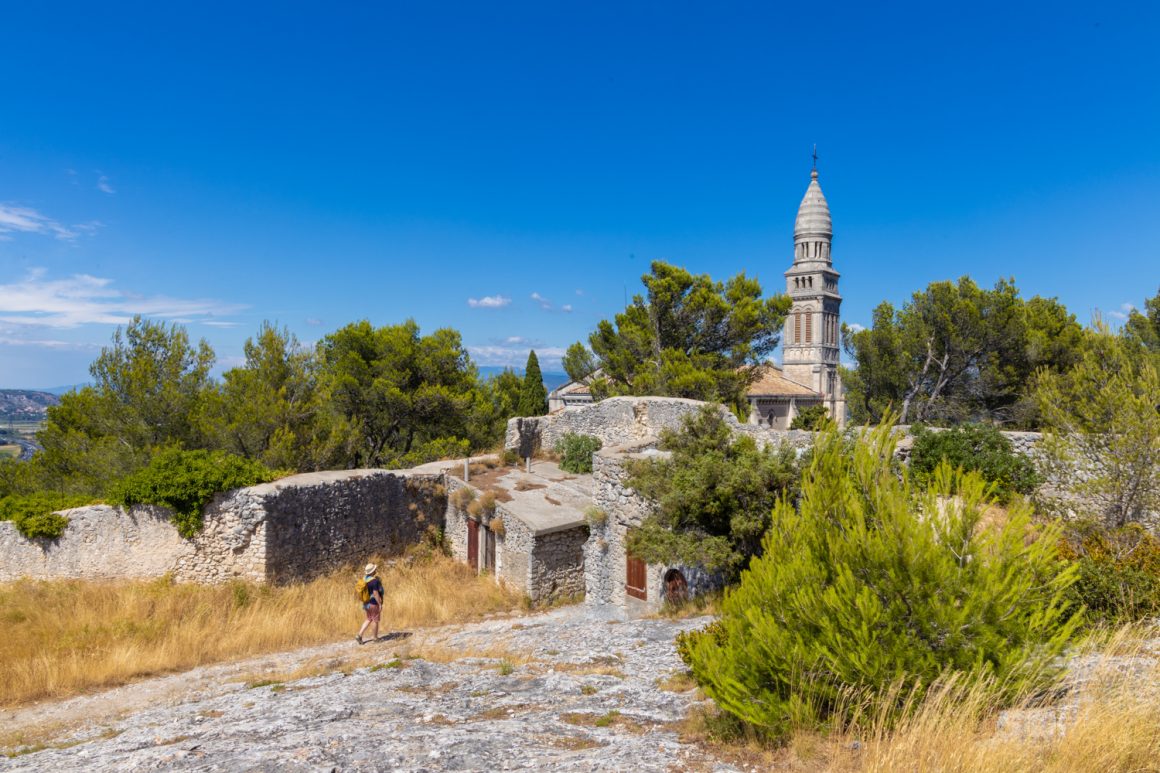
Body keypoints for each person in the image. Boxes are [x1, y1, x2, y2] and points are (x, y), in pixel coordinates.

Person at [356, 563, 384, 645]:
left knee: (369, 619)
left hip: (366, 603)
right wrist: (380, 604)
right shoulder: (374, 581)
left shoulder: (364, 579)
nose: (376, 570)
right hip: (373, 603)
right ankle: (375, 638)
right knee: (375, 620)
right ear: (372, 571)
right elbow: (375, 593)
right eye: (374, 569)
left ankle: (359, 635)